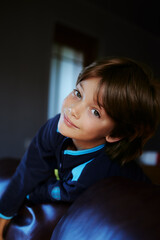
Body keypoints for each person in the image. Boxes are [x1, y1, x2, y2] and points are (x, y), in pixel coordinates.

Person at [0, 57, 160, 239]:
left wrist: (28, 196)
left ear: (115, 134)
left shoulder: (92, 172)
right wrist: (3, 214)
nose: (73, 110)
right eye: (78, 93)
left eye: (95, 112)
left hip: (144, 195)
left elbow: (51, 192)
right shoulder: (56, 126)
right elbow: (30, 167)